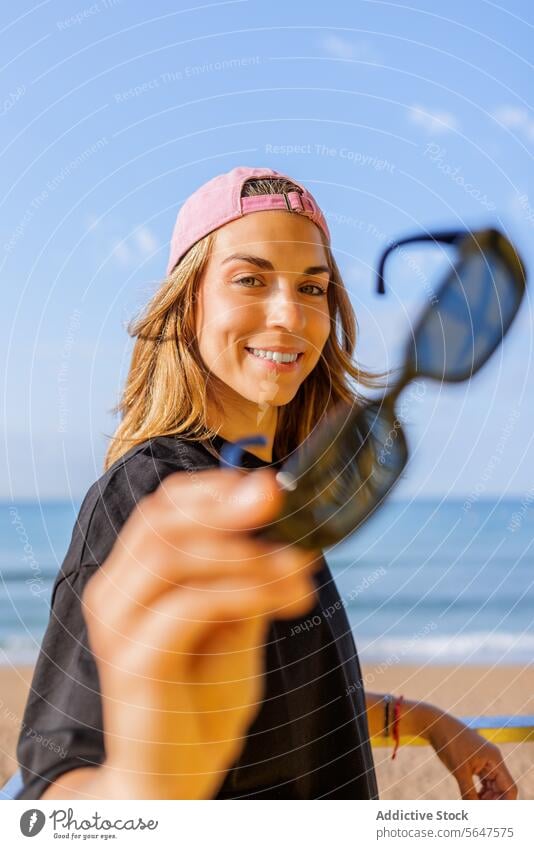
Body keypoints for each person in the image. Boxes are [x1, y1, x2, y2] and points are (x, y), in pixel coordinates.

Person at [16, 167, 517, 800]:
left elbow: (268, 692)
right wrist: (146, 783)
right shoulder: (152, 500)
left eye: (312, 287)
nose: (290, 315)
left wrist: (416, 717)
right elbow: (53, 793)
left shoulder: (268, 486)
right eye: (250, 279)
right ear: (187, 301)